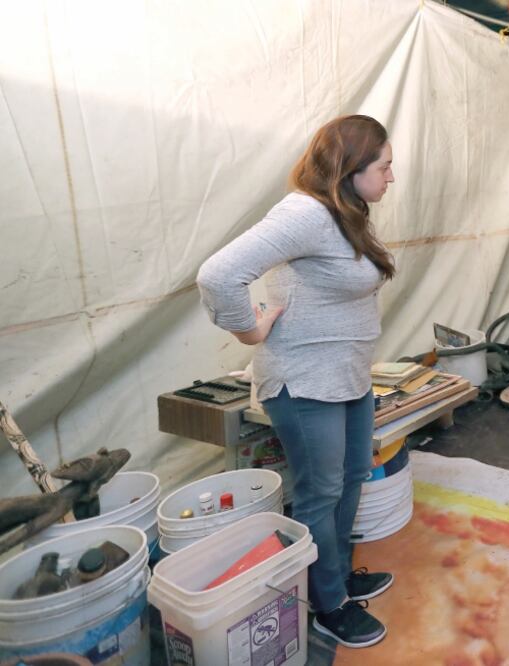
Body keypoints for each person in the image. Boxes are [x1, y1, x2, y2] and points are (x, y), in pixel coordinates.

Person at [197, 115, 396, 648]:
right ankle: (327, 602)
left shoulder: (346, 213)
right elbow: (219, 274)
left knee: (353, 476)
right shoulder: (305, 213)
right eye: (384, 166)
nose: (391, 176)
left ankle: (338, 576)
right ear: (351, 169)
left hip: (347, 378)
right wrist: (247, 330)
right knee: (320, 493)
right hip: (305, 382)